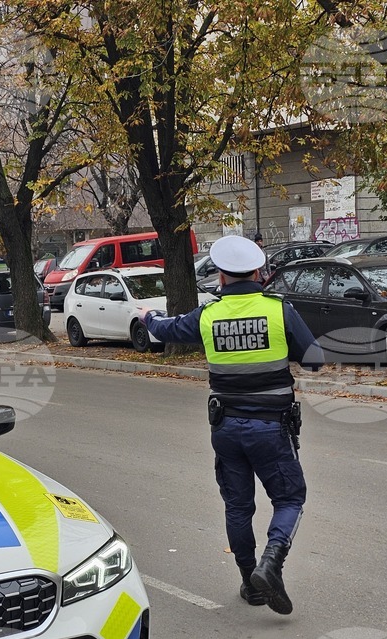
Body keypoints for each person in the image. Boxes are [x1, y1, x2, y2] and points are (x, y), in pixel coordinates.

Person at [138, 235, 323, 615]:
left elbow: (166, 329)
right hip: (272, 428)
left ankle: (249, 583)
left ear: (221, 276)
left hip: (225, 428)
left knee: (238, 507)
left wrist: (148, 317)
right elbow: (315, 360)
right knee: (289, 499)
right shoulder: (278, 309)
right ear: (258, 272)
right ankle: (271, 563)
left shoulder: (208, 315)